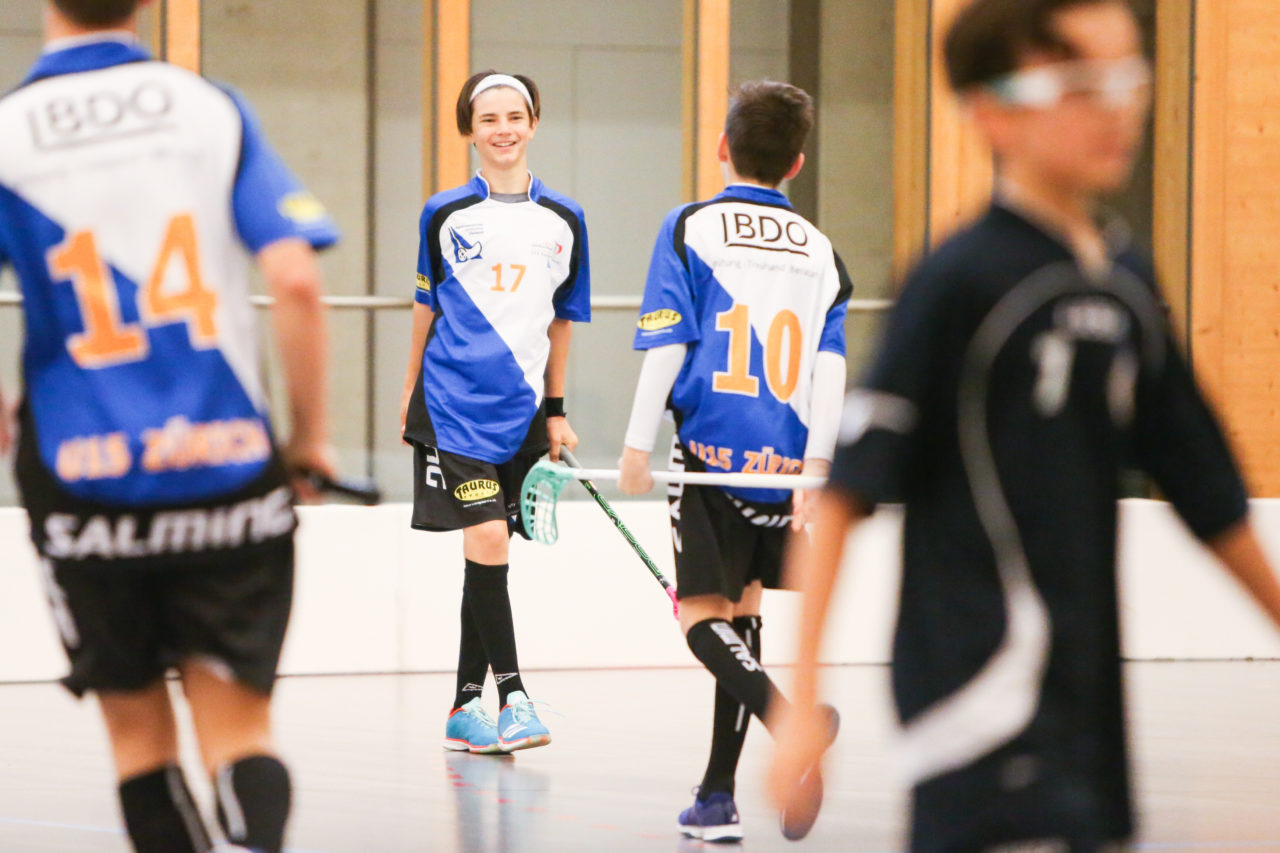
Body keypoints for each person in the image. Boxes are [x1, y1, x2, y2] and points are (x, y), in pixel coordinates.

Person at [767, 1, 1280, 851]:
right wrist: (800, 702)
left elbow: (1210, 494)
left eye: (1127, 78)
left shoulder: (1124, 279)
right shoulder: (957, 281)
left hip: (1089, 710)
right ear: (992, 112)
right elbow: (846, 498)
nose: (1116, 108)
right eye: (1078, 83)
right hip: (976, 702)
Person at [0, 2, 340, 852]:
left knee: (138, 739)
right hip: (225, 463)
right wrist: (309, 439)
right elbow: (295, 279)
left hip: (81, 475)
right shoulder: (208, 109)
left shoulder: (9, 132)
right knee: (241, 732)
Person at [617, 80, 850, 842]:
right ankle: (717, 795)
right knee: (743, 614)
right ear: (797, 162)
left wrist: (636, 444)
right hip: (781, 466)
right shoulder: (822, 252)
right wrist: (817, 465)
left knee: (699, 619)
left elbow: (669, 342)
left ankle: (791, 726)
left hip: (709, 456)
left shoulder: (690, 227)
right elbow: (830, 367)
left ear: (723, 146)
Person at [399, 69, 590, 755]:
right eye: (488, 119)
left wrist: (556, 410)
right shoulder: (444, 213)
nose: (503, 129)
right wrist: (409, 392)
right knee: (488, 540)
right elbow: (426, 307)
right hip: (453, 406)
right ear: (469, 131)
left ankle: (462, 706)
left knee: (488, 554)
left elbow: (563, 321)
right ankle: (513, 697)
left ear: (533, 124)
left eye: (514, 117)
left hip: (523, 413)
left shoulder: (565, 219)